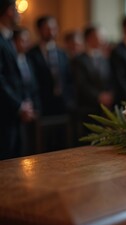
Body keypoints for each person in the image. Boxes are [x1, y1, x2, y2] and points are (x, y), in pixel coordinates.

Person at [27, 15, 74, 152]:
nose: (51, 31)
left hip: (62, 105)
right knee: (42, 145)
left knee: (62, 143)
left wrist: (69, 100)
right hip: (42, 105)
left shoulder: (62, 53)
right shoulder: (31, 54)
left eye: (54, 28)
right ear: (39, 30)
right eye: (47, 28)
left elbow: (69, 80)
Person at [0, 0, 35, 160]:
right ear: (8, 11)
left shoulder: (7, 39)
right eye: (16, 9)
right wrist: (19, 105)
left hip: (13, 113)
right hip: (5, 114)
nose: (19, 13)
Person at [72, 26, 113, 138]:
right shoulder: (79, 60)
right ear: (89, 38)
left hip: (104, 109)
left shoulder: (104, 59)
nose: (102, 39)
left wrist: (109, 94)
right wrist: (98, 96)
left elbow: (110, 79)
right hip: (87, 108)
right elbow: (81, 84)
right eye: (99, 36)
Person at [12, 28, 40, 155]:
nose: (27, 44)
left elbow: (33, 86)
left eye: (28, 40)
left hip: (30, 109)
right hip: (16, 112)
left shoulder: (28, 59)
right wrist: (21, 107)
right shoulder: (10, 61)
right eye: (23, 40)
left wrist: (33, 106)